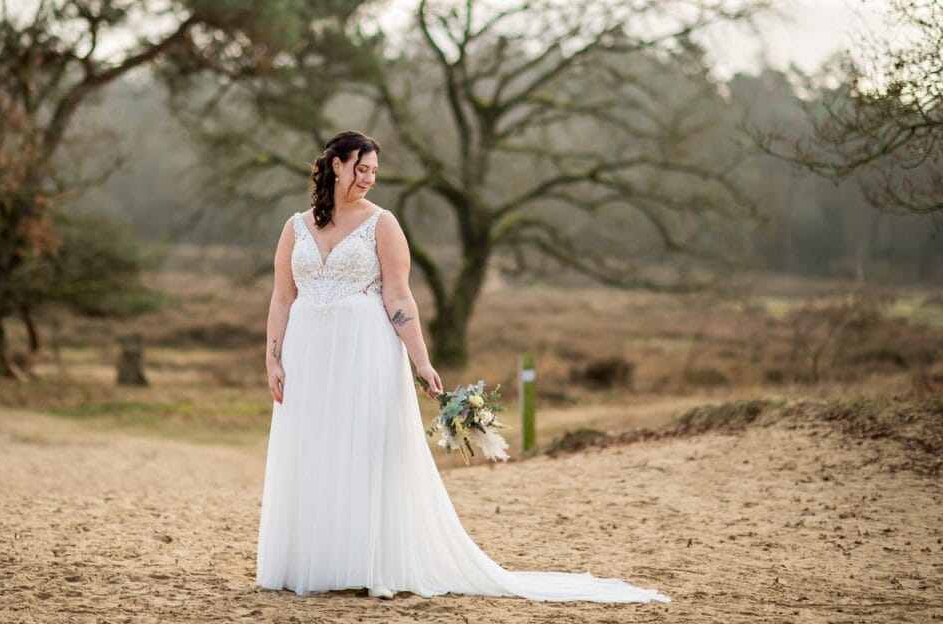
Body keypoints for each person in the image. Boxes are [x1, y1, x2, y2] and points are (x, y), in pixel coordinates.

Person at [256, 130, 670, 604]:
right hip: (307, 352)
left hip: (364, 350)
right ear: (336, 165)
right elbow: (283, 295)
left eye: (374, 171)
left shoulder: (382, 224)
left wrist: (421, 360)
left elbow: (399, 295)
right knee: (314, 448)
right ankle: (312, 560)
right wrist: (273, 358)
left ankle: (371, 563)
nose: (369, 178)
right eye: (361, 168)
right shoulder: (295, 227)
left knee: (368, 450)